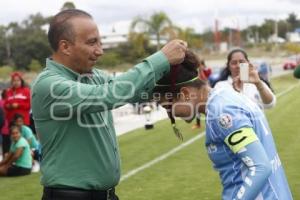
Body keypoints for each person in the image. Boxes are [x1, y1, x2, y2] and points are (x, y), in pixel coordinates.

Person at [31, 9, 187, 200]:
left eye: (100, 41)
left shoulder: (93, 76)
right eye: (91, 42)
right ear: (65, 47)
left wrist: (184, 82)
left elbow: (133, 92)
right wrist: (161, 59)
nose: (100, 50)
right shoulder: (49, 84)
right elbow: (110, 94)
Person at [152, 50, 293, 199]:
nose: (171, 114)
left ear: (185, 94)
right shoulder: (225, 96)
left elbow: (260, 167)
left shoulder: (222, 112)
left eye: (168, 107)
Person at [0, 89, 10, 156]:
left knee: (4, 145)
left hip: (3, 127)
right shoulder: (8, 103)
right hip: (8, 126)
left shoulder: (0, 102)